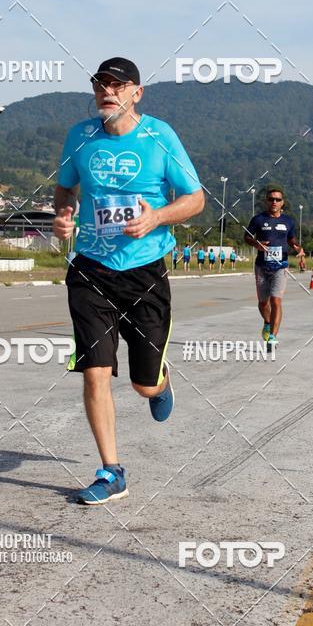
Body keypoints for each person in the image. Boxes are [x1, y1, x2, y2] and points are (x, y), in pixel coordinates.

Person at [53, 57, 204, 504]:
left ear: (137, 93)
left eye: (118, 86)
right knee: (94, 372)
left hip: (144, 272)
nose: (107, 91)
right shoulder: (80, 136)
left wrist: (157, 217)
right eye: (101, 84)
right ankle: (111, 471)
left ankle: (160, 381)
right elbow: (65, 188)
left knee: (143, 384)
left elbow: (195, 198)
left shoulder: (160, 136)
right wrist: (63, 214)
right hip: (91, 269)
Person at [244, 186, 304, 351]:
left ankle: (272, 337)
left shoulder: (288, 221)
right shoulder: (258, 219)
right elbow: (247, 237)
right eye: (271, 199)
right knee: (263, 303)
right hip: (262, 266)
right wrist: (257, 244)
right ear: (266, 201)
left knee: (276, 301)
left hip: (280, 266)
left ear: (282, 202)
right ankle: (267, 322)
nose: (274, 202)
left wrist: (298, 248)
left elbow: (292, 239)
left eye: (278, 199)